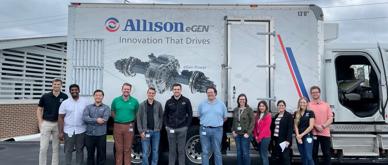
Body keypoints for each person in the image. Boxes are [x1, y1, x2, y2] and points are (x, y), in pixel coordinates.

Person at [37, 79, 68, 165]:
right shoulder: (45, 96)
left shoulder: (65, 97)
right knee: (43, 148)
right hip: (46, 123)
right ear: (52, 85)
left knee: (56, 148)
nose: (56, 86)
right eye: (55, 84)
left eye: (58, 84)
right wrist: (40, 123)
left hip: (58, 125)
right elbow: (39, 109)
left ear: (61, 86)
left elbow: (66, 111)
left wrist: (64, 126)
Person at [58, 84, 89, 165]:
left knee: (80, 150)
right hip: (68, 130)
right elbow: (61, 117)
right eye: (72, 90)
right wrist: (60, 132)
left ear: (79, 90)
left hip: (81, 130)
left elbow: (88, 116)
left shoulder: (85, 102)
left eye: (76, 89)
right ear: (70, 91)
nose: (74, 91)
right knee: (68, 150)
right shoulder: (65, 103)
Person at [163, 83, 193, 165]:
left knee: (181, 150)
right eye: (175, 89)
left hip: (182, 129)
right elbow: (165, 115)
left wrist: (186, 126)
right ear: (172, 90)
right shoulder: (168, 102)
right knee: (172, 150)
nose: (176, 91)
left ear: (181, 90)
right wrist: (167, 126)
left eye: (178, 89)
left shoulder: (186, 101)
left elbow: (190, 114)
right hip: (171, 129)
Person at [111, 83, 139, 165]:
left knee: (128, 149)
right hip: (117, 126)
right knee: (119, 149)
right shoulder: (116, 100)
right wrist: (117, 119)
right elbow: (112, 111)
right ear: (122, 89)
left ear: (130, 90)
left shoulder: (134, 101)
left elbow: (137, 112)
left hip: (129, 126)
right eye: (125, 89)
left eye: (128, 89)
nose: (126, 90)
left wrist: (131, 119)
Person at [198, 86, 227, 165]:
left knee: (217, 151)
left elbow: (225, 118)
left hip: (217, 130)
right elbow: (199, 116)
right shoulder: (202, 104)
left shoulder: (221, 104)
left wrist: (216, 123)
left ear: (215, 93)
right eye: (208, 92)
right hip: (204, 130)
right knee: (205, 151)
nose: (210, 94)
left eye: (211, 92)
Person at [83, 89, 111, 165]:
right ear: (94, 96)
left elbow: (104, 120)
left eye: (100, 95)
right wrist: (97, 120)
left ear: (103, 97)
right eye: (96, 95)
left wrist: (91, 119)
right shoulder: (88, 107)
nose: (98, 97)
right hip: (89, 135)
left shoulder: (106, 108)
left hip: (101, 135)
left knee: (101, 156)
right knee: (90, 155)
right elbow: (85, 118)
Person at [137, 87, 164, 165]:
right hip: (145, 131)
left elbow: (161, 117)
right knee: (145, 151)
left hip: (156, 132)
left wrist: (159, 127)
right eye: (150, 93)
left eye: (153, 93)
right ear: (147, 93)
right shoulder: (142, 105)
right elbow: (138, 118)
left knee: (155, 150)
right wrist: (141, 131)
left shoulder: (158, 104)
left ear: (155, 94)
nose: (151, 94)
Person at [309, 86, 333, 165]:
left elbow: (330, 118)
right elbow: (308, 119)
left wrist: (322, 126)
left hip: (325, 133)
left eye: (316, 92)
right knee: (314, 153)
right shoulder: (308, 105)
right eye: (313, 93)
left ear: (319, 93)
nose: (315, 94)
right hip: (313, 133)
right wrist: (316, 126)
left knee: (326, 153)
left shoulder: (326, 105)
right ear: (311, 94)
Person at [231, 94, 254, 165]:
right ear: (238, 100)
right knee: (239, 152)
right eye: (240, 99)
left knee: (245, 152)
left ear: (246, 100)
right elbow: (234, 121)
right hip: (237, 135)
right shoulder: (235, 109)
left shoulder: (249, 110)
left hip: (245, 135)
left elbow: (252, 122)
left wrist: (248, 133)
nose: (242, 100)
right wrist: (233, 131)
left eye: (243, 99)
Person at [270, 100, 293, 165]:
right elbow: (273, 127)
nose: (281, 106)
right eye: (279, 105)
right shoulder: (277, 115)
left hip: (284, 140)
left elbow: (290, 129)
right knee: (278, 157)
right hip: (276, 139)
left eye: (282, 105)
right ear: (277, 107)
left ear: (285, 107)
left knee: (285, 157)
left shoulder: (289, 115)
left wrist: (288, 141)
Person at [294, 97, 315, 165]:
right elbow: (295, 126)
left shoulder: (310, 112)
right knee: (303, 156)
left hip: (308, 137)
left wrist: (301, 135)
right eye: (301, 102)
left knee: (308, 156)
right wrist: (298, 136)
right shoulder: (296, 113)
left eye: (304, 102)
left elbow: (311, 126)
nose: (302, 104)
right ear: (299, 103)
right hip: (299, 137)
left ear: (307, 103)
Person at [253, 101, 272, 165]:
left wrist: (259, 138)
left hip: (265, 138)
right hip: (258, 137)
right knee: (261, 154)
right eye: (260, 106)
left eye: (263, 106)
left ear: (266, 107)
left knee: (264, 155)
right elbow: (255, 127)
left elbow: (266, 129)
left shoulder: (268, 115)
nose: (261, 107)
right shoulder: (257, 115)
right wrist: (255, 136)